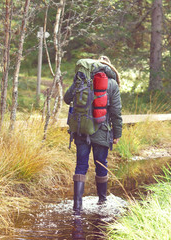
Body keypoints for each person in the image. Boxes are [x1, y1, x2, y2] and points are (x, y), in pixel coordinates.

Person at [64, 56, 122, 213]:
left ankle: (77, 207)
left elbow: (66, 98)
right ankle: (102, 202)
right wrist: (117, 134)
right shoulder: (112, 84)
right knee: (101, 164)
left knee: (81, 165)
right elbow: (116, 113)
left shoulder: (82, 80)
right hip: (101, 131)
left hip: (81, 131)